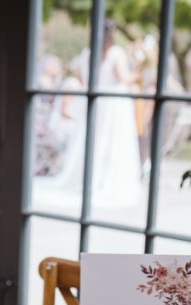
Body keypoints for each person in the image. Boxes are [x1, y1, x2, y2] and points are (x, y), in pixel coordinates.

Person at [33, 20, 142, 212]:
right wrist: (139, 70)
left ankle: (91, 179)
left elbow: (84, 82)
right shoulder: (116, 53)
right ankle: (105, 180)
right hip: (113, 106)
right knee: (112, 145)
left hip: (96, 104)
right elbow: (124, 78)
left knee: (95, 144)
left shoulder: (87, 54)